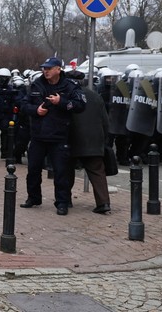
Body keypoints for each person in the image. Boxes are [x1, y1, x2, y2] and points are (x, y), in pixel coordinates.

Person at [19, 57, 86, 216]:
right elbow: (23, 105)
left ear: (58, 69)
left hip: (59, 136)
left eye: (49, 68)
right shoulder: (36, 85)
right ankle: (33, 198)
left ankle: (62, 202)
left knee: (61, 172)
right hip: (38, 135)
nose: (46, 71)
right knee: (33, 169)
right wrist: (36, 110)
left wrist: (60, 101)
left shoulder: (70, 86)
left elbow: (81, 105)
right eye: (44, 68)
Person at [65, 70, 111, 214]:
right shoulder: (95, 96)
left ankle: (65, 200)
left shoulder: (65, 97)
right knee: (97, 172)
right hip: (94, 141)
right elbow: (105, 121)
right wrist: (104, 140)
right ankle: (103, 203)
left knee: (66, 170)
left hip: (71, 139)